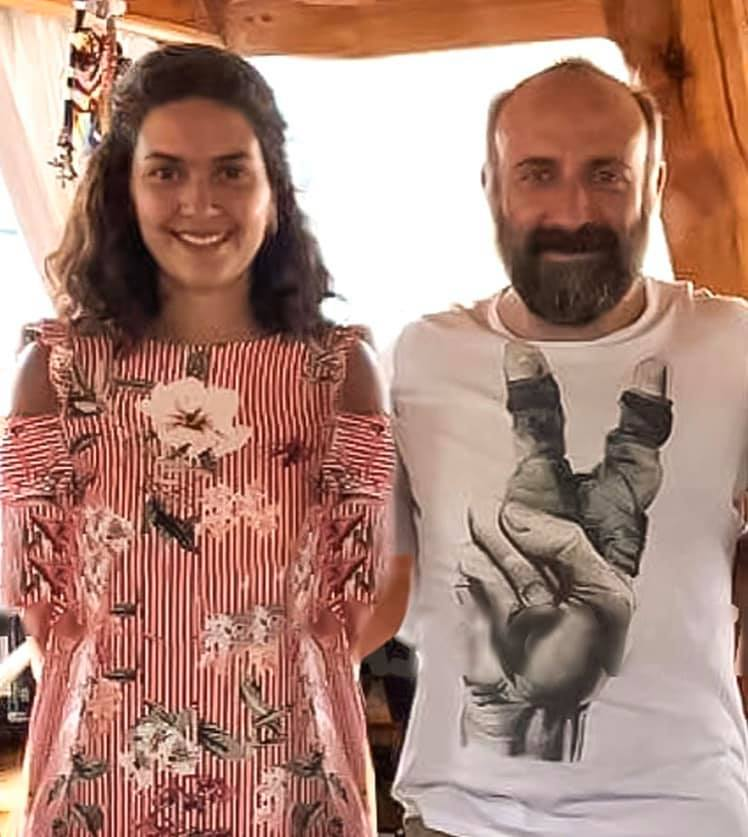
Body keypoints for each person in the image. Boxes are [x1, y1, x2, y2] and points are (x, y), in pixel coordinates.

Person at [0, 43, 396, 836]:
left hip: (291, 788)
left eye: (230, 171)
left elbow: (364, 603)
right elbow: (42, 610)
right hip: (102, 790)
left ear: (273, 188)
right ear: (126, 188)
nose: (199, 201)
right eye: (166, 171)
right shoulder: (56, 373)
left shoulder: (339, 374)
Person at [388, 59, 748, 836]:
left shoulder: (734, 346)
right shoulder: (421, 358)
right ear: (492, 186)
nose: (573, 210)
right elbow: (362, 580)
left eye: (607, 174)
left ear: (655, 185)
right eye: (538, 173)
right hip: (460, 819)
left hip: (684, 818)